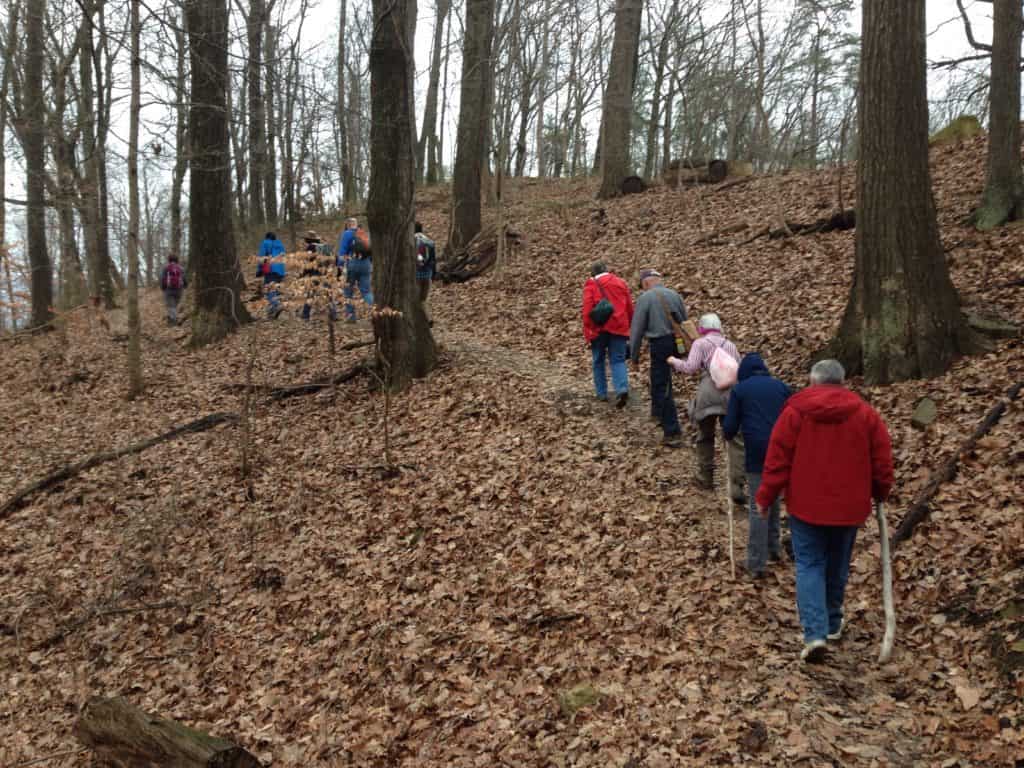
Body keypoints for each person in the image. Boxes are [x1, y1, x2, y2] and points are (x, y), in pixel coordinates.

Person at [756, 359, 893, 663]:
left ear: (812, 381)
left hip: (807, 506)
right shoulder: (866, 415)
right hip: (849, 507)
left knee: (809, 565)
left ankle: (815, 633)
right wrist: (881, 491)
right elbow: (882, 460)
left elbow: (778, 459)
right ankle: (831, 622)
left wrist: (765, 497)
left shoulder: (795, 413)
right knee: (837, 563)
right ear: (842, 381)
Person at [723, 353, 792, 579]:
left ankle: (756, 562)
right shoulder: (781, 387)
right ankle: (774, 548)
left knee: (758, 504)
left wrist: (728, 434)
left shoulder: (740, 390)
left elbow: (730, 425)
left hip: (756, 452)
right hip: (782, 450)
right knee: (773, 499)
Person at [668, 313, 744, 501]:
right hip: (730, 395)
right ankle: (737, 484)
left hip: (708, 394)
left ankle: (706, 477)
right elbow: (739, 370)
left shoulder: (700, 344)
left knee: (705, 436)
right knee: (734, 440)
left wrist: (673, 361)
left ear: (702, 328)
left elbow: (690, 367)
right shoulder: (731, 345)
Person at [628, 268, 687, 447]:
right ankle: (658, 413)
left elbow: (636, 330)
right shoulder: (675, 295)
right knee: (660, 380)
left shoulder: (645, 298)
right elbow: (685, 321)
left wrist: (634, 356)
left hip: (659, 344)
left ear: (645, 283)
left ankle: (672, 431)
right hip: (677, 342)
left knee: (662, 385)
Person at [582, 262, 634, 407]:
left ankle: (602, 393)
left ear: (592, 273)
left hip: (599, 329)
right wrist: (629, 326)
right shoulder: (620, 283)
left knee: (598, 360)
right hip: (619, 327)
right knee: (618, 360)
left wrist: (589, 330)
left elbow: (587, 311)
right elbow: (629, 307)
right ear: (607, 271)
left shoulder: (591, 285)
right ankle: (621, 388)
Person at [337, 217, 373, 322]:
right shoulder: (364, 233)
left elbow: (342, 251)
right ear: (356, 224)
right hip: (366, 264)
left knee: (348, 292)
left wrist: (340, 265)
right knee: (366, 291)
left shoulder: (347, 234)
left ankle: (351, 317)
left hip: (352, 263)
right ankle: (377, 313)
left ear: (348, 225)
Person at [414, 222, 437, 315]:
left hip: (416, 275)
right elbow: (433, 260)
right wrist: (434, 274)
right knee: (423, 300)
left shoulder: (412, 241)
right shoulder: (429, 241)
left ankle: (422, 320)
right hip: (427, 274)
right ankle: (428, 318)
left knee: (416, 299)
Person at [159, 253, 187, 325]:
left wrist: (163, 288)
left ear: (169, 260)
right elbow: (184, 278)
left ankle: (173, 322)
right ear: (177, 260)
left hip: (169, 290)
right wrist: (185, 286)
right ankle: (171, 319)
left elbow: (162, 278)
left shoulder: (165, 268)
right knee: (174, 306)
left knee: (171, 306)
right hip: (179, 290)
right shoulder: (181, 268)